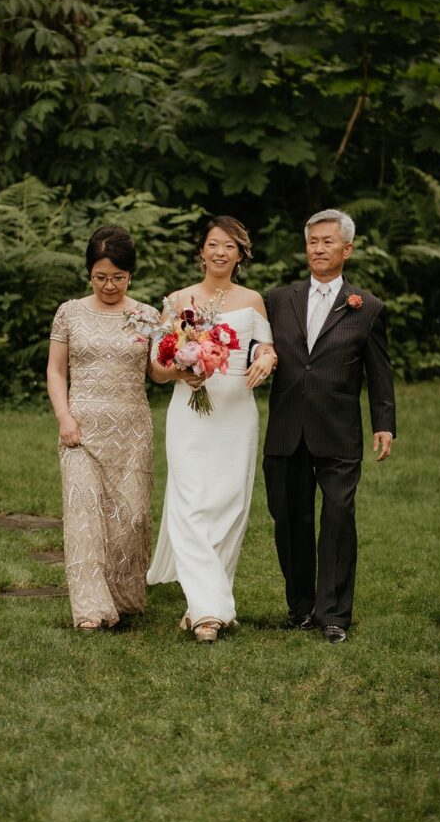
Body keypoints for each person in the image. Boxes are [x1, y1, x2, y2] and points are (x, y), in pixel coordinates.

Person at [261, 209, 396, 643]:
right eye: (313, 241)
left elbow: (379, 372)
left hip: (338, 430)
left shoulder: (367, 307)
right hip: (287, 427)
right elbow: (258, 350)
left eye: (328, 241)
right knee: (290, 519)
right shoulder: (278, 300)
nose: (319, 248)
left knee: (338, 519)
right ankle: (300, 608)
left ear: (347, 249)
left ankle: (334, 615)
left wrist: (384, 423)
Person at [148, 216, 276, 643]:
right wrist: (182, 373)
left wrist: (266, 360)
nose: (221, 252)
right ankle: (210, 612)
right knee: (189, 505)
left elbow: (267, 348)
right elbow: (157, 367)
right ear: (201, 251)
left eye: (230, 246)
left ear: (240, 255)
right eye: (213, 244)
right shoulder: (177, 300)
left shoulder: (253, 300)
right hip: (190, 414)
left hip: (236, 414)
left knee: (229, 505)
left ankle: (204, 605)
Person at [46, 227, 160, 632]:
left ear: (131, 274)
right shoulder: (70, 312)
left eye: (118, 277)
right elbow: (56, 370)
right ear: (89, 274)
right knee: (84, 518)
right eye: (101, 277)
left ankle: (123, 597)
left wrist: (189, 363)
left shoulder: (146, 315)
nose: (109, 285)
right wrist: (64, 418)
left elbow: (157, 372)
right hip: (81, 428)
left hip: (132, 431)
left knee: (129, 519)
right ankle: (90, 608)